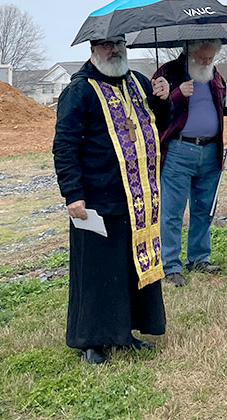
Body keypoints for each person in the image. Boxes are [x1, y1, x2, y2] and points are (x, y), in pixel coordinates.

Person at [53, 35, 172, 364]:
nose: (115, 50)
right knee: (96, 273)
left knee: (128, 270)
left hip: (137, 198)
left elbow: (159, 123)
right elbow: (64, 145)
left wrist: (163, 99)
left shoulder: (138, 82)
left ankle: (124, 333)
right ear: (92, 50)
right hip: (95, 197)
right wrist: (72, 194)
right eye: (106, 45)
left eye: (119, 43)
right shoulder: (80, 90)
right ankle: (91, 342)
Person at [153, 39, 227, 287]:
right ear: (189, 52)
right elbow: (153, 109)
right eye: (203, 58)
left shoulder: (215, 76)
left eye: (211, 58)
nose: (207, 62)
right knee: (172, 211)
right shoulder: (168, 73)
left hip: (210, 151)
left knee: (204, 209)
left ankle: (198, 258)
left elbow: (218, 106)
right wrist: (176, 94)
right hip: (178, 151)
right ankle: (170, 265)